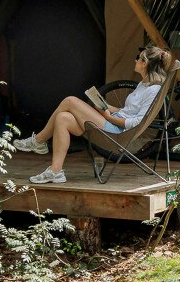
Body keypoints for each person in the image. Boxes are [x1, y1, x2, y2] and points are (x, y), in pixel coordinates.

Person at [13, 44, 171, 184]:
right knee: (63, 118)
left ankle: (39, 141)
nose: (135, 60)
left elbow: (135, 121)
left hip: (116, 134)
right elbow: (127, 112)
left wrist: (107, 116)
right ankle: (56, 171)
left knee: (70, 101)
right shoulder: (144, 85)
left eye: (138, 58)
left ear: (146, 64)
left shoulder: (153, 90)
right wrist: (105, 106)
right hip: (113, 123)